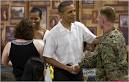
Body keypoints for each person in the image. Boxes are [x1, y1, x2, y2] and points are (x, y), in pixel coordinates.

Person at [43, 1, 96, 81]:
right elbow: (47, 57)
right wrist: (67, 68)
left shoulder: (79, 27)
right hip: (62, 73)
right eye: (70, 12)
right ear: (61, 14)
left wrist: (110, 35)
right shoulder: (53, 34)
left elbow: (94, 40)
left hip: (78, 71)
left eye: (74, 11)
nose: (74, 14)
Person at [79, 6, 128, 81]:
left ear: (103, 20)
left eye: (99, 17)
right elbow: (95, 58)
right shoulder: (118, 34)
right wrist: (79, 65)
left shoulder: (107, 42)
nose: (97, 20)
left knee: (85, 75)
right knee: (84, 73)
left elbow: (111, 72)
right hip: (120, 76)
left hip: (108, 78)